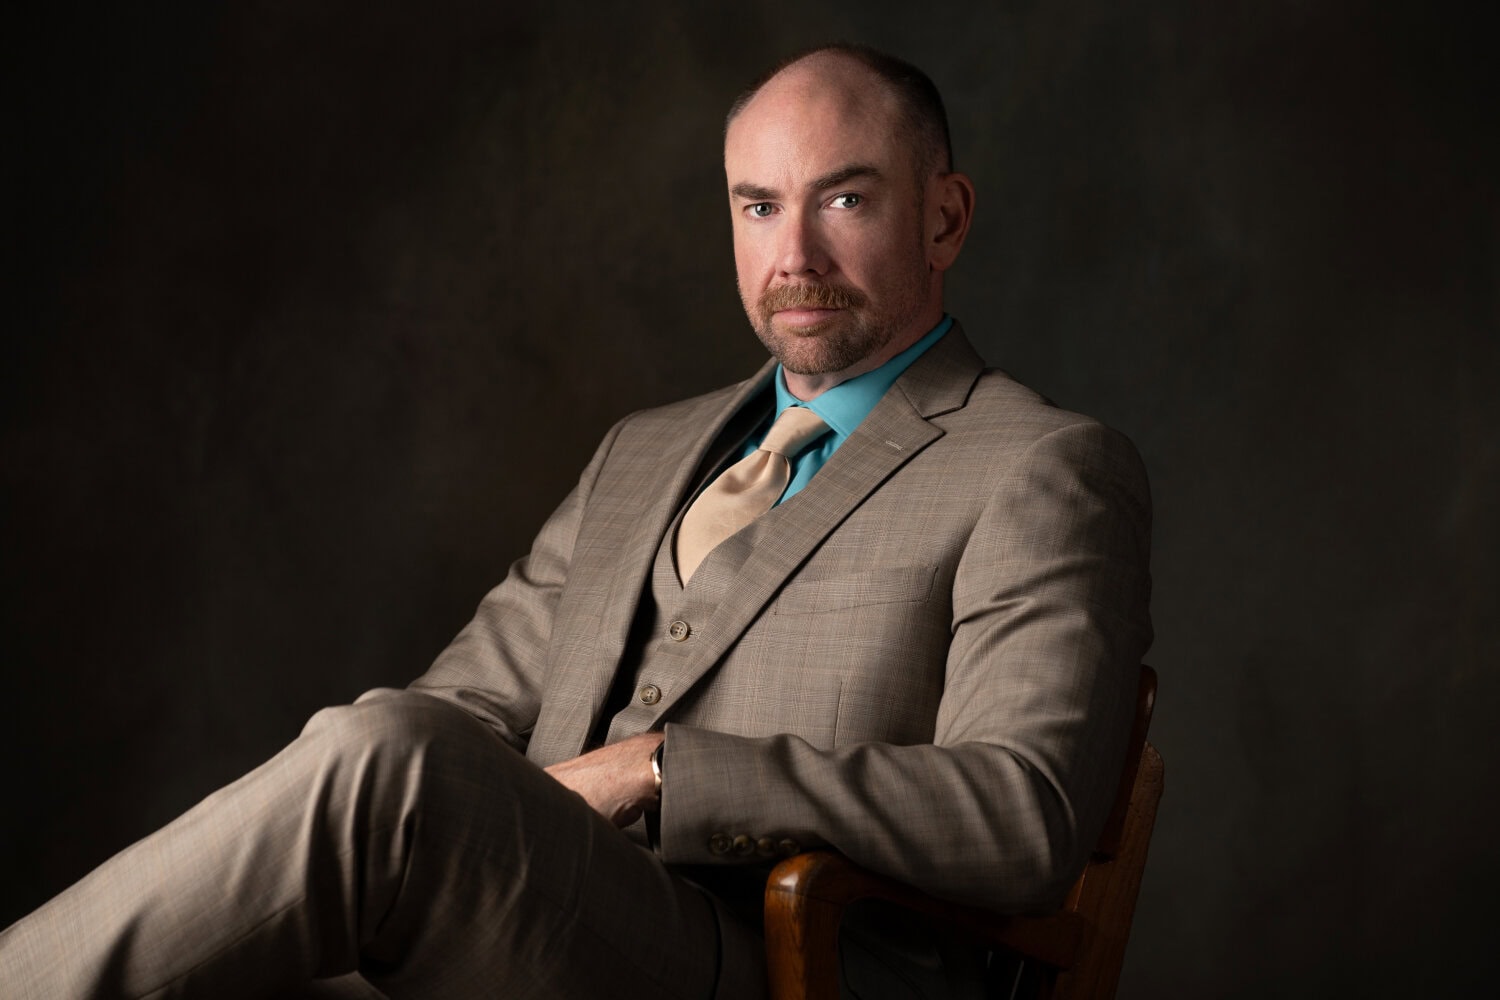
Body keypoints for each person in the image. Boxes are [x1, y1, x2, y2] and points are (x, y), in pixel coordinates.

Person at [0, 44, 1152, 1000]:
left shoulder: (1041, 465)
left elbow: (1025, 811)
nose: (793, 256)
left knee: (376, 763)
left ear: (945, 218)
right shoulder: (641, 452)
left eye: (844, 199)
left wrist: (664, 769)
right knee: (357, 776)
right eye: (759, 207)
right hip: (521, 937)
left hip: (788, 969)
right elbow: (456, 717)